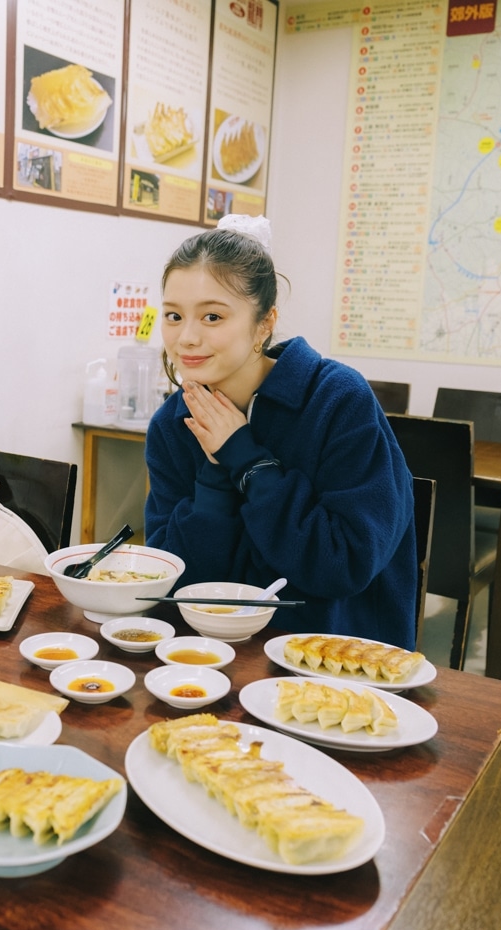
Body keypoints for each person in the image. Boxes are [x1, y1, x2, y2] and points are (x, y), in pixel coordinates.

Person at [144, 215, 418, 648]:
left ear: (265, 323)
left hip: (335, 659)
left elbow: (343, 564)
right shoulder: (172, 425)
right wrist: (216, 477)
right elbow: (173, 579)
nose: (187, 338)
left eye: (213, 316)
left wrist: (249, 462)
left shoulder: (337, 400)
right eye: (174, 316)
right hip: (209, 654)